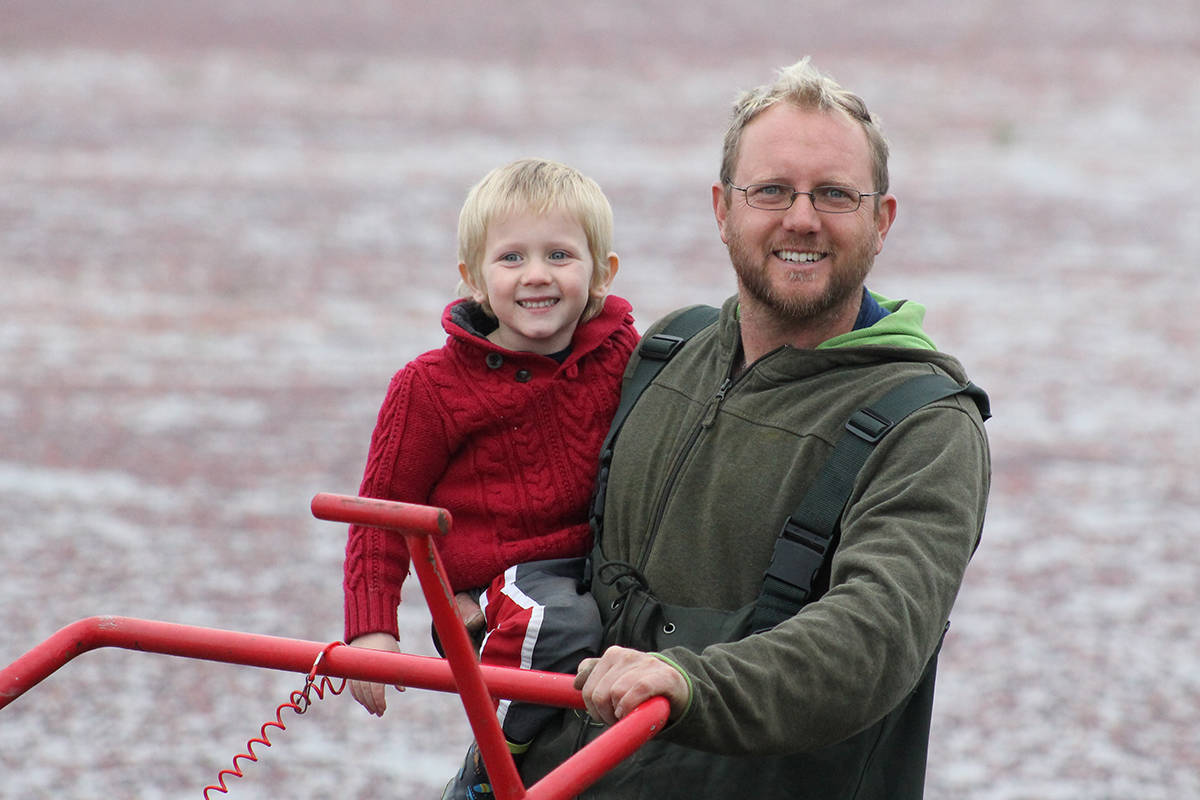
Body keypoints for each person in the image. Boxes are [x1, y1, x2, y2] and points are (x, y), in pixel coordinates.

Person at [518, 58, 992, 799]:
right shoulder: (661, 354)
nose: (801, 218)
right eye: (771, 190)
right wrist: (474, 591)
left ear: (881, 220)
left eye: (835, 194)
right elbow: (540, 521)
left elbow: (871, 640)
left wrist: (686, 683)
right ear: (722, 208)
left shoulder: (927, 428)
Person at [340, 158, 639, 800]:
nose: (536, 275)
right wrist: (372, 629)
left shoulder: (626, 356)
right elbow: (381, 510)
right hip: (504, 583)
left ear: (601, 274)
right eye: (510, 259)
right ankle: (493, 769)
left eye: (560, 254)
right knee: (560, 628)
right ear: (474, 279)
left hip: (605, 559)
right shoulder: (430, 387)